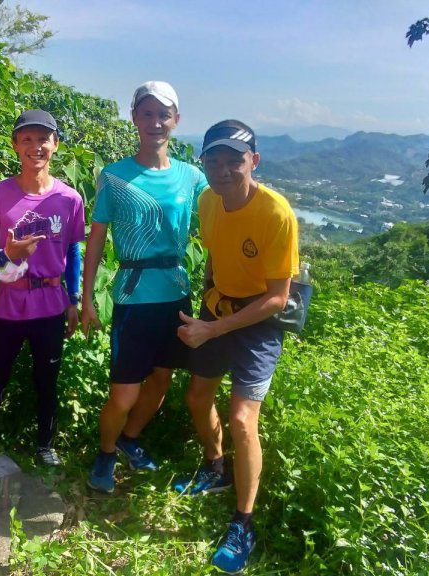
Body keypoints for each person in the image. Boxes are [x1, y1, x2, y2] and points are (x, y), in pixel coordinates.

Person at [173, 120, 299, 574]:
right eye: (214, 161)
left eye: (234, 161)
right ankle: (214, 467)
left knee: (243, 419)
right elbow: (214, 254)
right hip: (217, 307)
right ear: (203, 163)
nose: (223, 170)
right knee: (196, 396)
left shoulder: (274, 213)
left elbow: (277, 297)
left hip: (258, 319)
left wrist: (216, 329)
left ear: (254, 162)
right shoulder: (208, 199)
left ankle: (243, 521)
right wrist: (208, 308)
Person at [84, 81, 208, 493]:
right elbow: (97, 239)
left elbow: (220, 218)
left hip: (176, 293)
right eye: (147, 113)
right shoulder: (114, 176)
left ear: (176, 121)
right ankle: (105, 455)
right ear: (135, 118)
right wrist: (86, 299)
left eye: (164, 114)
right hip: (133, 297)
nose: (156, 122)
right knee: (123, 392)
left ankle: (129, 439)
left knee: (161, 379)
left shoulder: (192, 176)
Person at [0, 110, 85, 466]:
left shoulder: (69, 199)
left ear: (56, 145)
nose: (36, 147)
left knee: (47, 377)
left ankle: (45, 443)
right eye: (27, 139)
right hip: (10, 302)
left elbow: (73, 249)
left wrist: (74, 298)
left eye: (43, 139)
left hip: (51, 303)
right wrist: (7, 253)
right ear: (16, 145)